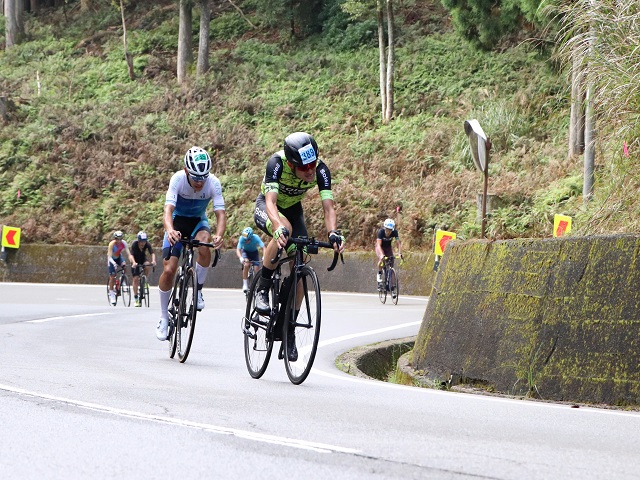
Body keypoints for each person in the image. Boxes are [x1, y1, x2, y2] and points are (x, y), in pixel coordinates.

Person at [253, 131, 345, 361]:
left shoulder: (321, 170)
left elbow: (328, 207)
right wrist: (276, 225)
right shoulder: (276, 164)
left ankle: (289, 329)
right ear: (292, 165)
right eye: (304, 167)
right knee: (285, 229)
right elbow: (271, 202)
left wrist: (333, 232)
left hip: (294, 210)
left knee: (301, 264)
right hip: (268, 207)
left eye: (313, 164)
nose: (310, 171)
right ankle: (262, 289)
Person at [156, 146, 226, 341]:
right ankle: (163, 317)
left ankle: (198, 290)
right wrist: (170, 230)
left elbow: (220, 214)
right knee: (169, 270)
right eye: (196, 178)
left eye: (203, 177)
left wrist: (219, 236)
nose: (200, 182)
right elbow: (168, 211)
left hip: (197, 222)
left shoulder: (213, 183)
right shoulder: (177, 179)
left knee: (205, 244)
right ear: (187, 171)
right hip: (177, 222)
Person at [128, 230, 157, 307]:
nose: (142, 243)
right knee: (136, 278)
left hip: (142, 259)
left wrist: (153, 261)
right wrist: (134, 263)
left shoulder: (147, 244)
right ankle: (136, 298)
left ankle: (144, 281)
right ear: (138, 240)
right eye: (141, 241)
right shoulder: (134, 244)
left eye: (144, 241)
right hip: (135, 260)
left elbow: (152, 253)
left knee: (147, 265)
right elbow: (131, 255)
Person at [375, 218, 403, 288]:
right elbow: (378, 245)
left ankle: (392, 285)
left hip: (388, 248)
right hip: (380, 247)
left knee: (391, 263)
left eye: (390, 230)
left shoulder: (394, 232)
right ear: (385, 228)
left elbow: (398, 243)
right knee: (381, 259)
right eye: (387, 229)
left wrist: (400, 253)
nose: (388, 232)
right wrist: (381, 255)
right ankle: (379, 273)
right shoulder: (381, 232)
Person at [236, 226, 264, 293]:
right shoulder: (242, 238)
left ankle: (256, 284)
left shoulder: (256, 237)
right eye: (245, 240)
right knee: (246, 264)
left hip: (254, 253)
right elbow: (238, 249)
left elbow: (264, 247)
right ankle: (245, 284)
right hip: (245, 252)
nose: (246, 241)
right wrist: (241, 258)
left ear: (251, 237)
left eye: (247, 240)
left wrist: (264, 256)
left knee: (256, 269)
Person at [107, 230, 131, 305]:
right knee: (112, 277)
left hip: (118, 257)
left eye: (120, 239)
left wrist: (132, 261)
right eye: (117, 239)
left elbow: (128, 253)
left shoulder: (124, 243)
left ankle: (122, 280)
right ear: (115, 239)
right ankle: (112, 294)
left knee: (124, 265)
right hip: (111, 260)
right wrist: (114, 263)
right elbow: (109, 257)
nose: (119, 241)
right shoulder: (112, 244)